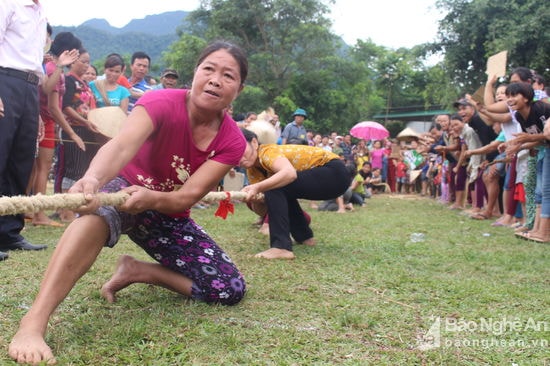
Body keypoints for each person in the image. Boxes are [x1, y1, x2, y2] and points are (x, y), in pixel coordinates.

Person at [8, 40, 249, 364]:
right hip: (125, 188)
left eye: (228, 76)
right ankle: (34, 322)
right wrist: (94, 179)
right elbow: (121, 147)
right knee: (96, 218)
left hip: (167, 210)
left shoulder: (232, 140)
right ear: (195, 73)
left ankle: (136, 270)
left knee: (228, 288)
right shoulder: (160, 101)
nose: (216, 79)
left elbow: (189, 195)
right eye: (209, 69)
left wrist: (154, 199)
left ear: (239, 88)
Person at [239, 128, 350, 260]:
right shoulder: (252, 171)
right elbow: (264, 209)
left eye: (240, 148)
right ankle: (305, 237)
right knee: (279, 188)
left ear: (254, 142)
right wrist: (253, 199)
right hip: (328, 179)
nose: (238, 157)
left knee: (276, 185)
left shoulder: (267, 151)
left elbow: (289, 174)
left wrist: (258, 187)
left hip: (333, 172)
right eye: (232, 152)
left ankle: (281, 247)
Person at [0, 0, 49, 261]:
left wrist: (37, 110)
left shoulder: (41, 11)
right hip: (4, 80)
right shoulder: (8, 3)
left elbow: (34, 61)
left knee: (21, 161)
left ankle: (9, 231)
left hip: (30, 88)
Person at [30, 32, 84, 227]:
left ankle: (28, 209)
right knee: (43, 168)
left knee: (35, 169)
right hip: (45, 120)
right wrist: (71, 132)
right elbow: (53, 106)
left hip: (40, 118)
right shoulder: (55, 69)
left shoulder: (49, 65)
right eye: (75, 53)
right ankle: (39, 213)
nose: (77, 58)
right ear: (67, 51)